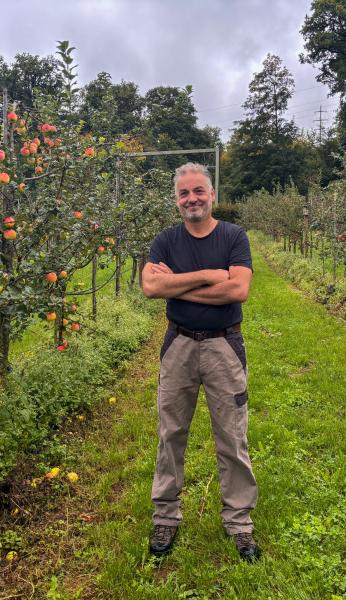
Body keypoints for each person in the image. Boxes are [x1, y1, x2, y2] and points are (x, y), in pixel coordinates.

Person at [141, 162, 259, 561]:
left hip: (224, 346)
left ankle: (239, 521)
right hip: (179, 346)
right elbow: (150, 286)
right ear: (177, 200)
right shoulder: (166, 240)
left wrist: (178, 286)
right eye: (183, 193)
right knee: (171, 432)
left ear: (211, 194)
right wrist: (210, 275)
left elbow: (238, 290)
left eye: (198, 191)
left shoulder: (233, 235)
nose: (191, 198)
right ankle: (166, 515)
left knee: (232, 436)